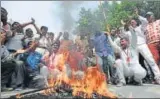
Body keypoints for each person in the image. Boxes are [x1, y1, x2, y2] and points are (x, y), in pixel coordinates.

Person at [130, 9, 160, 84]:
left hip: (143, 44)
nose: (148, 18)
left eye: (149, 16)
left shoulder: (141, 26)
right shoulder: (143, 27)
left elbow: (144, 21)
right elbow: (123, 35)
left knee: (151, 61)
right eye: (147, 17)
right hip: (147, 44)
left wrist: (137, 15)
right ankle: (138, 80)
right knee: (136, 63)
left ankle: (158, 77)